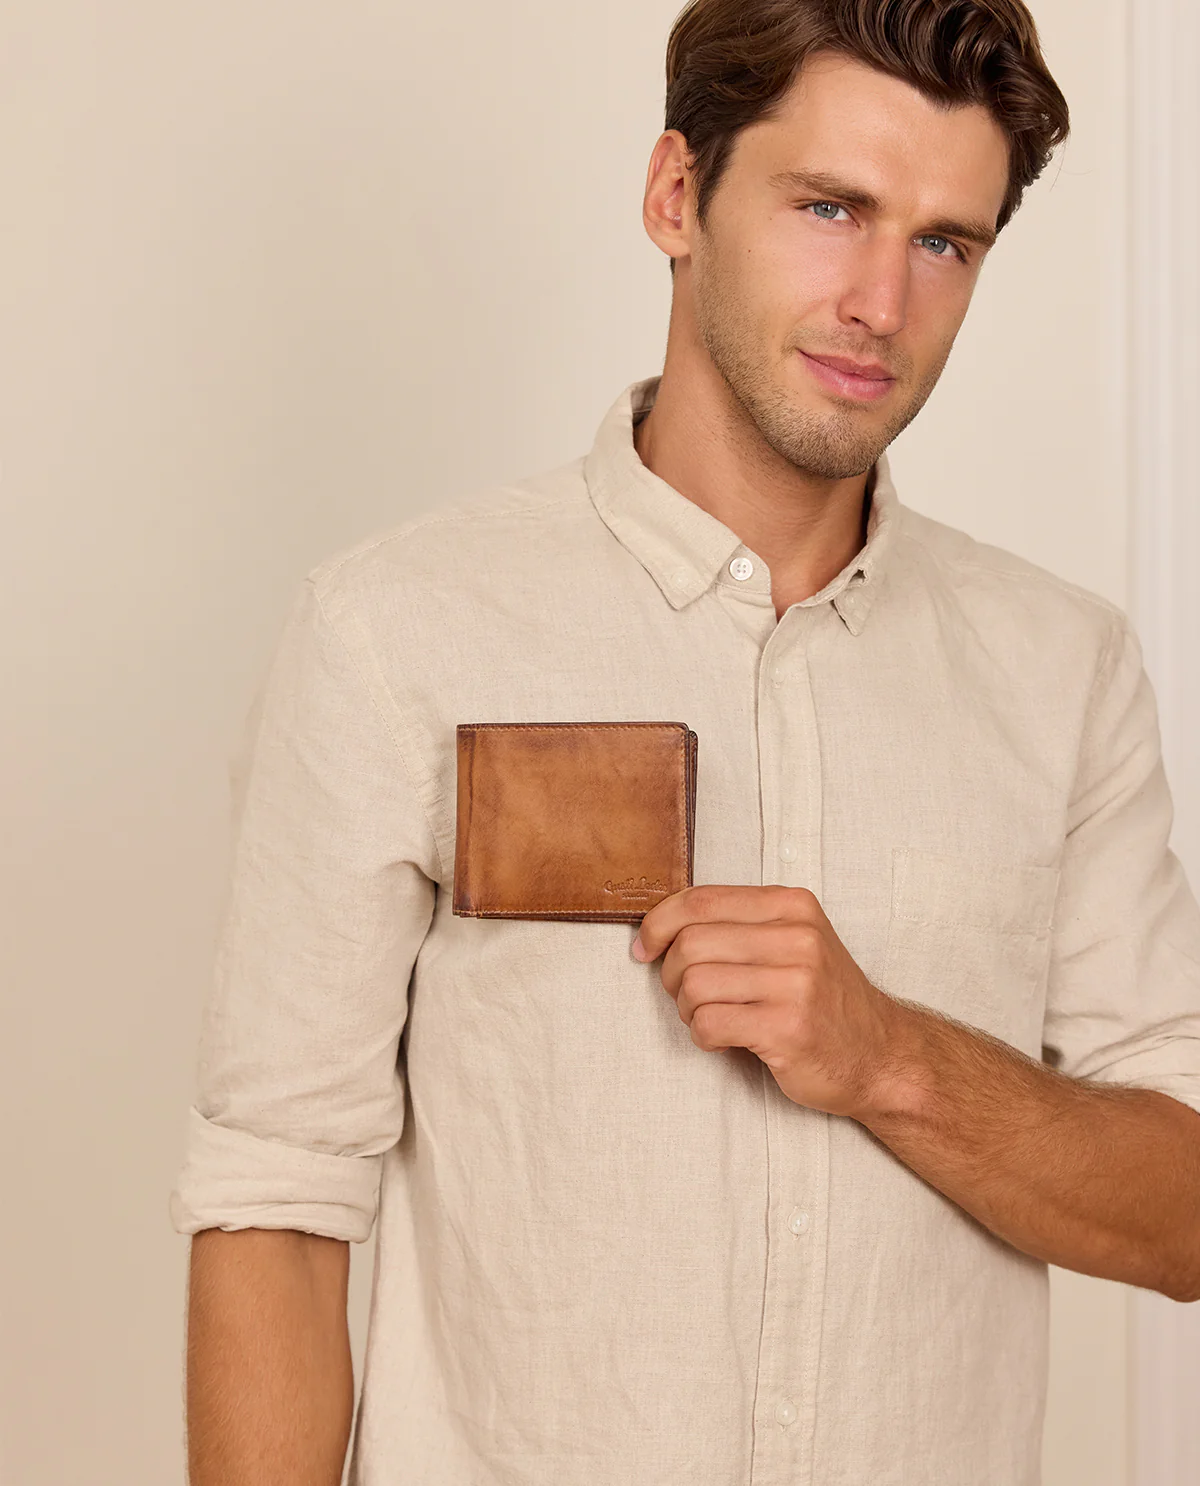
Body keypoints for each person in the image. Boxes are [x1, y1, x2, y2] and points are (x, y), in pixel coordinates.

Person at [170, 1, 1200, 1482]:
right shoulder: (396, 632)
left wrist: (889, 1055)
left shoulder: (1062, 669)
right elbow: (276, 1193)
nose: (881, 302)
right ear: (675, 197)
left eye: (944, 242)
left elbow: (1182, 1210)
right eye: (830, 207)